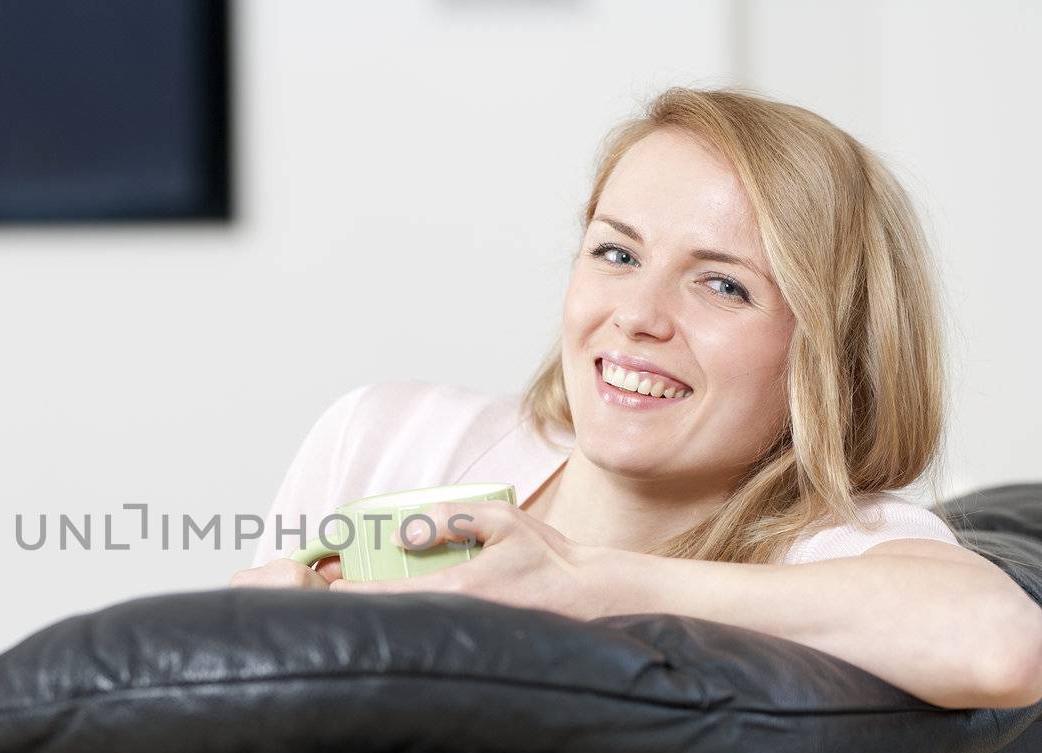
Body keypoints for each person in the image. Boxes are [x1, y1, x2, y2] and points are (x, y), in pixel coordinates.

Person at [230, 86, 1042, 712]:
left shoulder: (826, 547)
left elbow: (1002, 643)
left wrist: (591, 585)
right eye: (617, 252)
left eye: (723, 284)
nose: (638, 315)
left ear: (829, 355)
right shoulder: (387, 438)